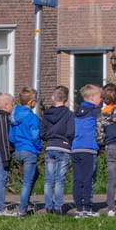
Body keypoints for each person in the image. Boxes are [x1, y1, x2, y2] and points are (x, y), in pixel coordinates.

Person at [37, 86, 73, 215]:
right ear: (66, 99)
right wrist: (65, 140)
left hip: (50, 147)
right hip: (63, 147)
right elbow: (71, 132)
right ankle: (58, 207)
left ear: (53, 98)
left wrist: (50, 138)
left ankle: (48, 205)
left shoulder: (46, 114)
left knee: (48, 179)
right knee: (60, 179)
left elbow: (42, 132)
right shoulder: (69, 114)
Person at [8, 87, 42, 215]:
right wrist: (39, 147)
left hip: (19, 150)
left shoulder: (14, 116)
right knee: (28, 181)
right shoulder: (32, 117)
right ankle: (22, 209)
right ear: (31, 102)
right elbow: (35, 136)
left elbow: (10, 136)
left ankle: (25, 202)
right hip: (30, 150)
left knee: (35, 175)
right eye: (35, 101)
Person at [70, 84, 103, 214]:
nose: (101, 100)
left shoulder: (76, 113)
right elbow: (99, 132)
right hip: (89, 148)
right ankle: (87, 208)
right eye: (100, 97)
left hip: (76, 148)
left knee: (78, 179)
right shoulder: (95, 113)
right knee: (88, 179)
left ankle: (79, 207)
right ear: (93, 98)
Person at [97, 82, 116, 215]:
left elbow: (99, 134)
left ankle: (111, 208)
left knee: (112, 179)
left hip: (110, 147)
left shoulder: (102, 114)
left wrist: (103, 143)